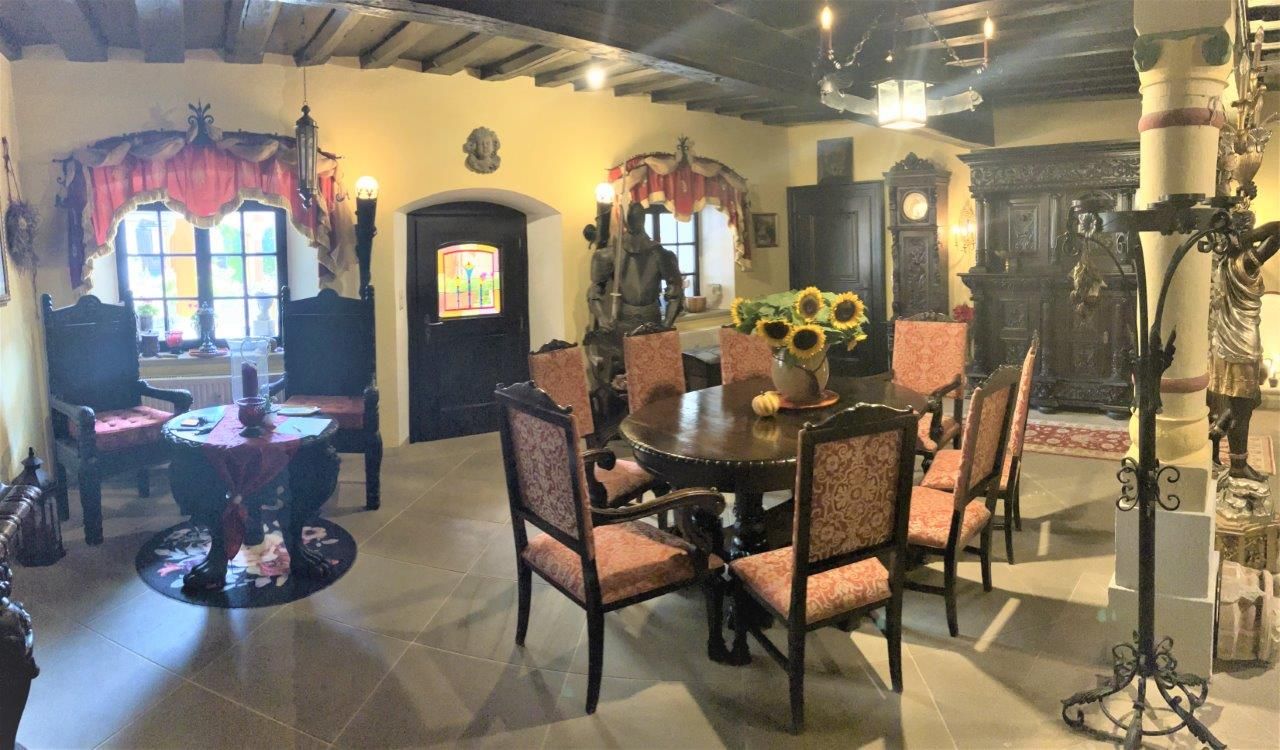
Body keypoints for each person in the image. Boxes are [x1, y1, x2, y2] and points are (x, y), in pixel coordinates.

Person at [1209, 219, 1279, 483]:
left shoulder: (1223, 262)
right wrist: (1250, 236)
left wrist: (1239, 237)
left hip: (1226, 342)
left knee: (1250, 399)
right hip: (1241, 343)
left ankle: (1216, 432)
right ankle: (1238, 465)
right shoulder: (1246, 262)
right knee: (1243, 408)